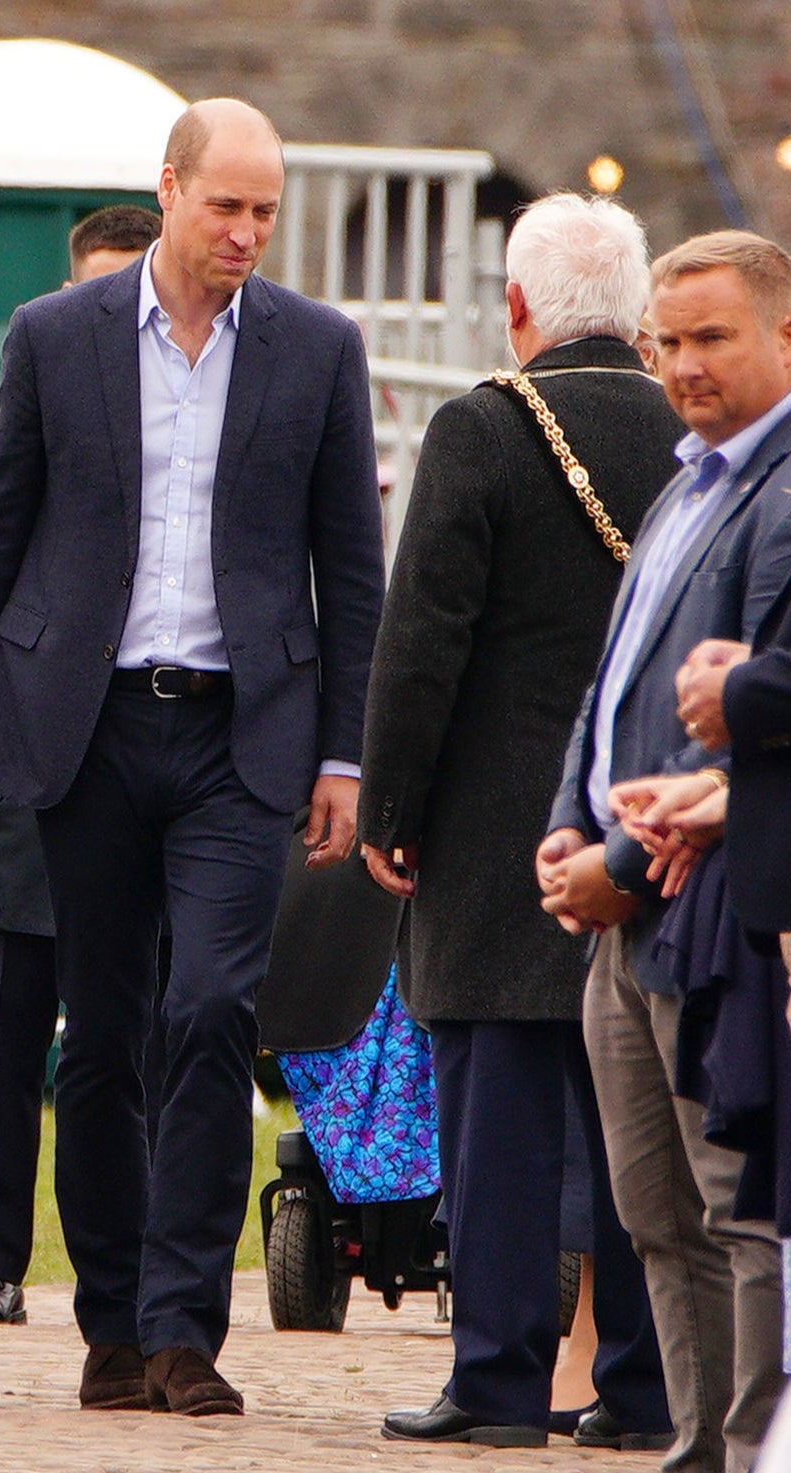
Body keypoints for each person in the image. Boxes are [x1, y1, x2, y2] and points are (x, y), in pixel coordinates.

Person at [0, 97, 384, 1414]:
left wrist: (343, 755)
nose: (243, 233)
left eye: (264, 211)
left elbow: (350, 570)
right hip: (88, 728)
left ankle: (187, 1329)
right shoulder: (53, 340)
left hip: (245, 734)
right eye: (223, 205)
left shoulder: (314, 350)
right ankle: (111, 1323)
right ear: (166, 190)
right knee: (101, 1032)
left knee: (209, 1010)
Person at [361, 193, 671, 1449]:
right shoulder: (693, 430)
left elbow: (421, 637)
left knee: (494, 1119)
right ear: (641, 314)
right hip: (644, 824)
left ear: (516, 305)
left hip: (497, 832)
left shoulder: (484, 427)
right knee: (634, 1124)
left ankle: (494, 1385)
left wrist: (389, 805)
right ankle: (644, 1388)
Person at [538, 229, 791, 1473]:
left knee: (736, 1206)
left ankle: (751, 1451)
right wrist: (563, 829)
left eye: (711, 337)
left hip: (714, 906)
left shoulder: (783, 491)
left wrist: (623, 863)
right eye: (666, 340)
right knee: (651, 1212)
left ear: (783, 337)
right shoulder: (685, 479)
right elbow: (613, 682)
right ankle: (697, 1446)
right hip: (620, 914)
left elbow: (753, 734)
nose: (682, 364)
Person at [0, 203, 159, 1330]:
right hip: (24, 775)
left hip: (145, 777)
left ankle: (138, 1265)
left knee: (129, 1041)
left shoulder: (188, 421)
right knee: (6, 1034)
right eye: (92, 291)